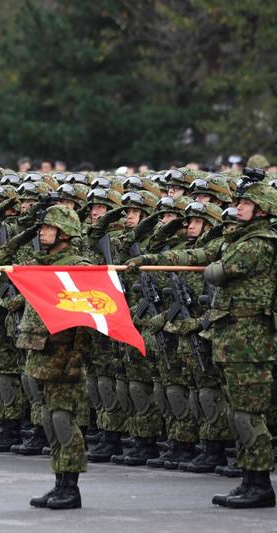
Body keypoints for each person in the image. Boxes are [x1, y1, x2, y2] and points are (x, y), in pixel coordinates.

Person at [127, 176, 277, 509]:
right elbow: (197, 254)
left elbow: (219, 271)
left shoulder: (260, 243)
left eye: (246, 204)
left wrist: (209, 265)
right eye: (239, 203)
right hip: (231, 336)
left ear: (263, 210)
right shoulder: (236, 237)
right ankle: (249, 478)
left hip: (251, 341)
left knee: (249, 414)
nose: (238, 208)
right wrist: (149, 259)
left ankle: (260, 482)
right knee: (237, 411)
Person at [18, 205, 92, 510]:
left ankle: (71, 487)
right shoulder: (43, 264)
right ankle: (59, 481)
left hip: (64, 355)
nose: (42, 232)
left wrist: (76, 359)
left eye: (48, 227)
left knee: (63, 419)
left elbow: (86, 320)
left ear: (64, 232)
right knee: (49, 419)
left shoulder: (79, 266)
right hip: (42, 353)